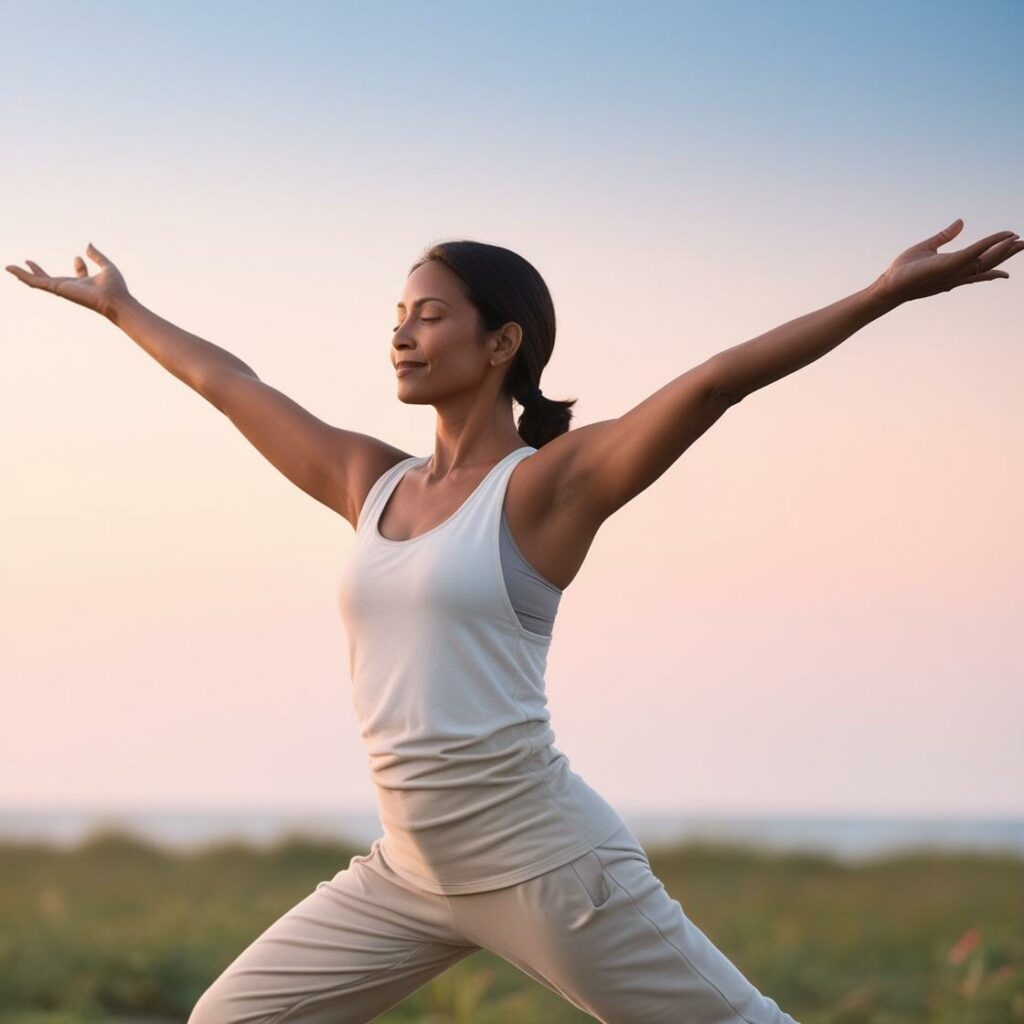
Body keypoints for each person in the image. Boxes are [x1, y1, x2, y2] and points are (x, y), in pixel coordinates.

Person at [6, 220, 1019, 1024]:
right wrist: (121, 309)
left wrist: (883, 294)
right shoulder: (372, 480)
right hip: (407, 870)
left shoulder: (548, 489)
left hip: (546, 864)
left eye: (432, 315)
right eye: (398, 314)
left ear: (502, 343)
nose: (402, 331)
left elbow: (713, 383)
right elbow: (233, 386)